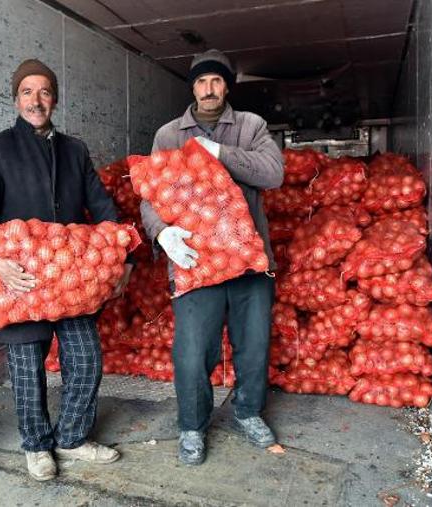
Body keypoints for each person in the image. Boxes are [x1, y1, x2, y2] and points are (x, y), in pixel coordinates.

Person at [0, 59, 131, 482]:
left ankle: (72, 438)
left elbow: (102, 206)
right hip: (22, 278)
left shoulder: (74, 149)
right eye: (27, 92)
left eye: (44, 92)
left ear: (54, 98)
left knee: (87, 359)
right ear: (16, 98)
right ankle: (37, 446)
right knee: (26, 368)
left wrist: (121, 255)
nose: (35, 101)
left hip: (71, 278)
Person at [140, 49, 284, 465]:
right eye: (202, 81)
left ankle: (248, 412)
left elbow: (273, 174)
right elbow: (151, 195)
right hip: (193, 262)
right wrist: (161, 232)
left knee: (253, 344)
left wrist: (219, 153)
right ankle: (192, 425)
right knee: (192, 349)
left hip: (247, 260)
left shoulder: (251, 126)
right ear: (193, 87)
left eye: (216, 81)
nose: (209, 89)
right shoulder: (169, 135)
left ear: (226, 86)